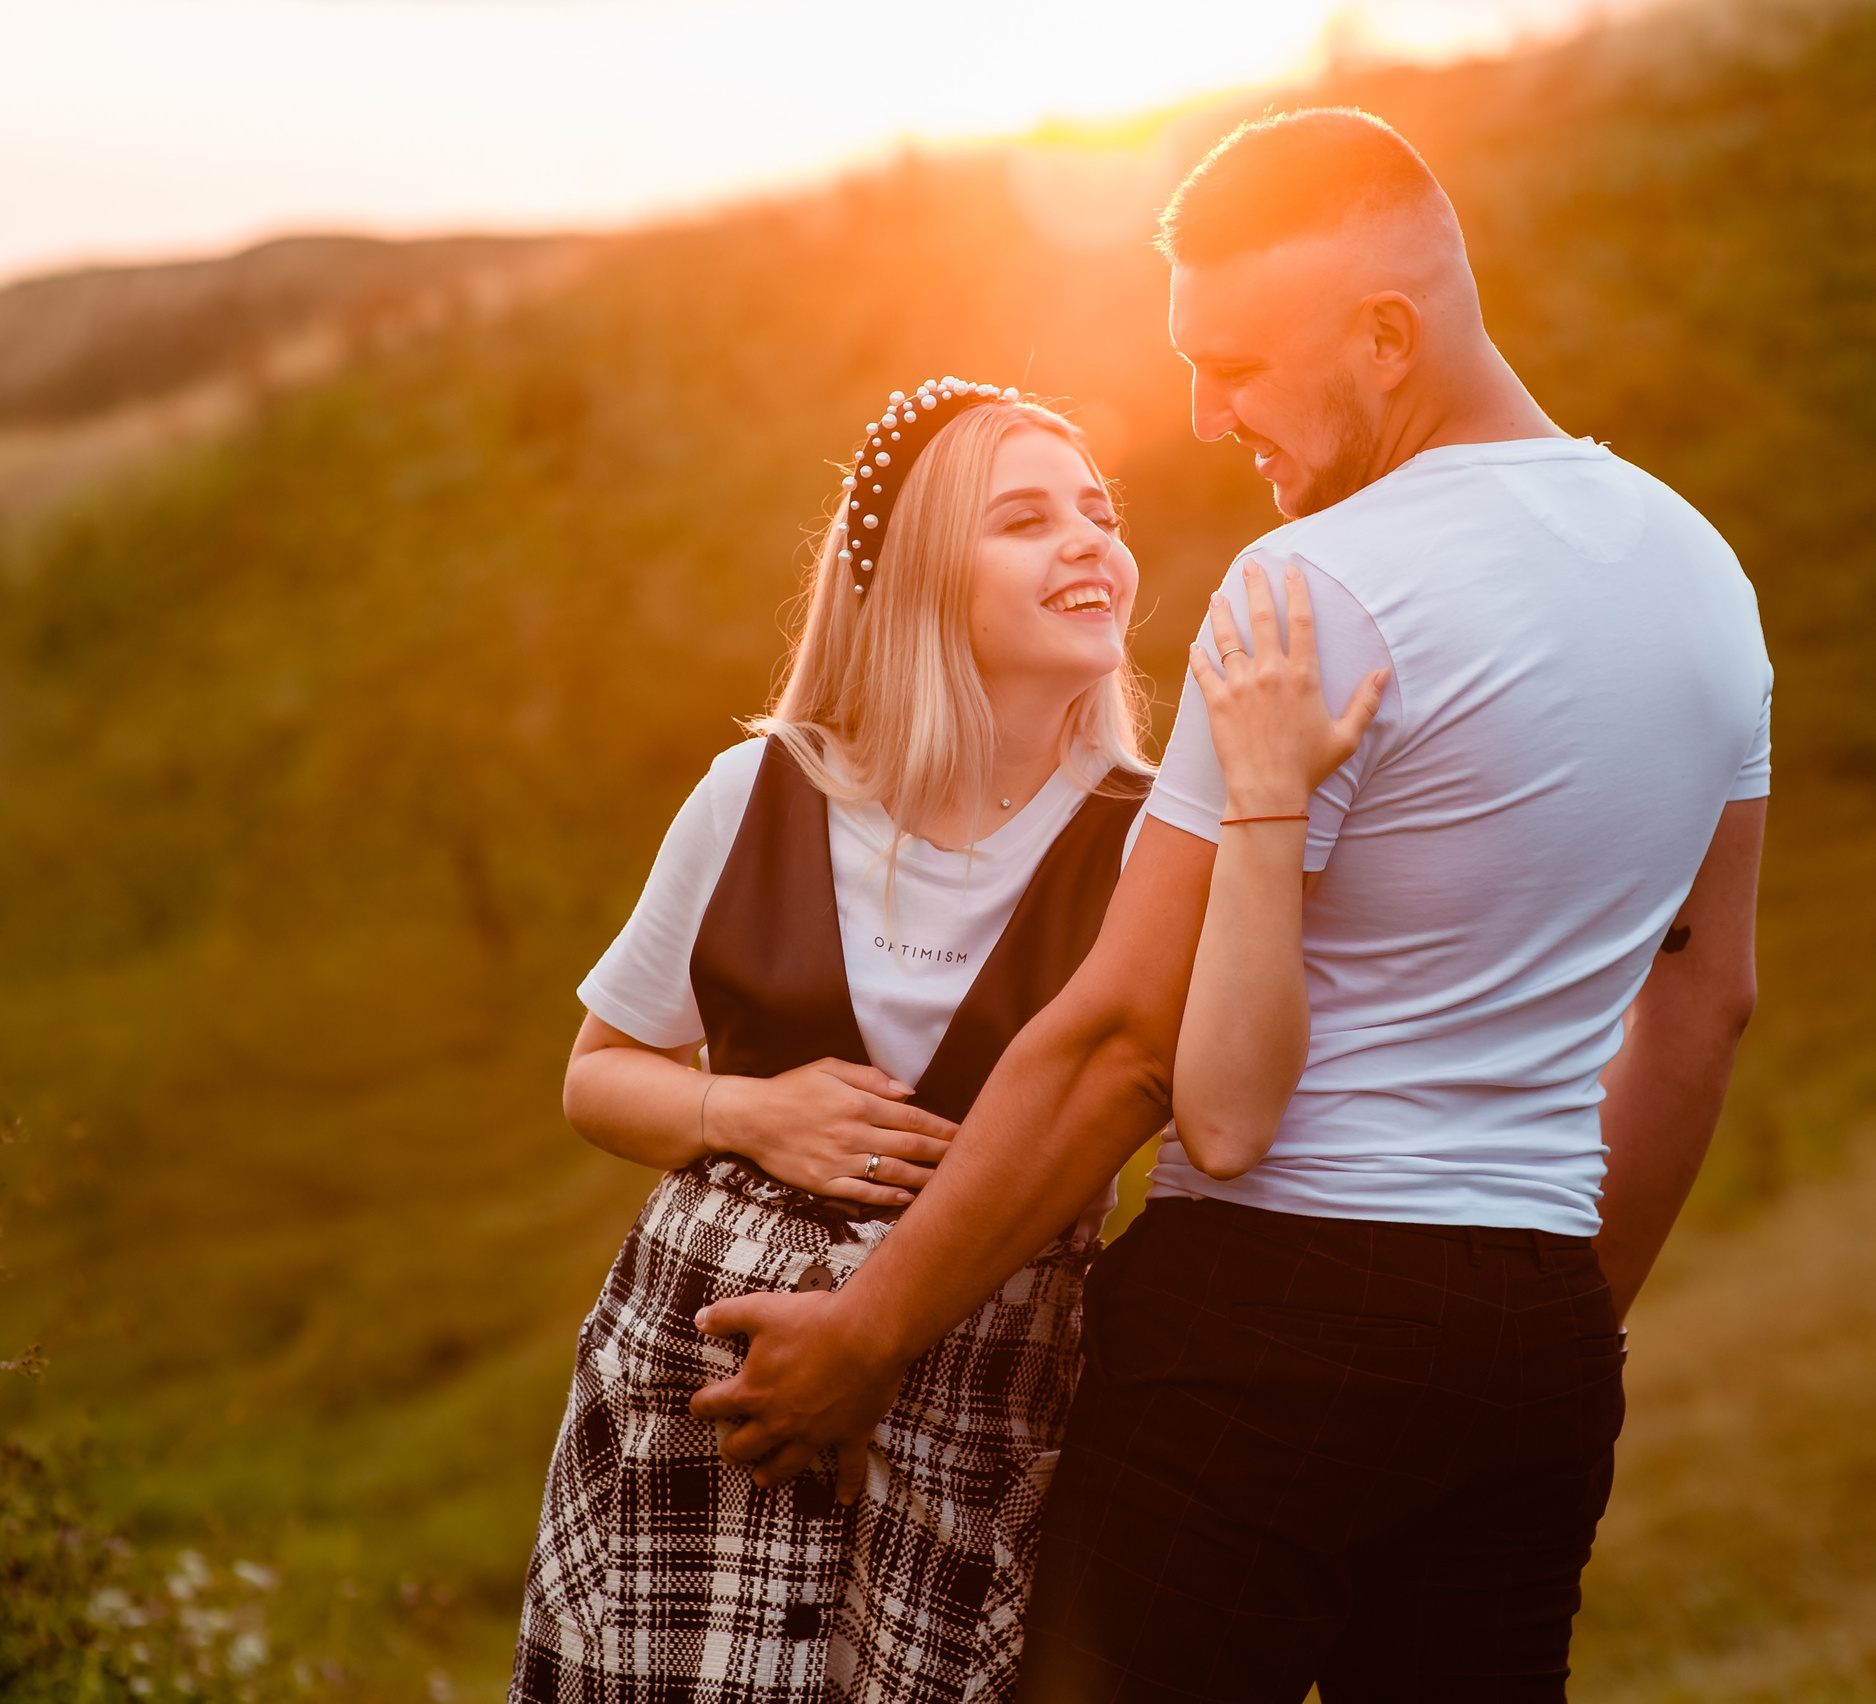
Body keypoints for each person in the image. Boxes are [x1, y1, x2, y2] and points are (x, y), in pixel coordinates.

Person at [689, 106, 1774, 1702]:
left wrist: (868, 1333)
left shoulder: (1315, 589)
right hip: (1539, 1339)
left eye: (1241, 364)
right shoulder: (1703, 575)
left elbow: (1128, 1038)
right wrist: (1542, 1317)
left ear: (1387, 338)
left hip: (1267, 1321)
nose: (1205, 417)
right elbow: (1707, 997)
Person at [509, 379, 1161, 1702]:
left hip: (973, 1380)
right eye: (1026, 519)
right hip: (697, 1379)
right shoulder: (760, 788)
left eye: (1100, 511)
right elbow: (598, 1075)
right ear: (919, 577)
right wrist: (742, 1113)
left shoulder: (1155, 838)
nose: (1089, 540)